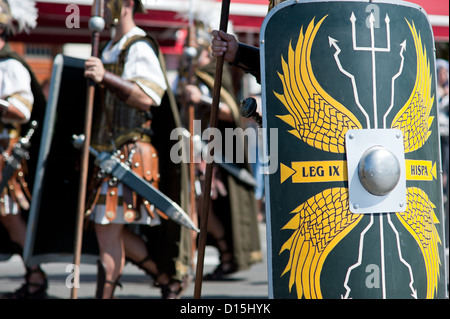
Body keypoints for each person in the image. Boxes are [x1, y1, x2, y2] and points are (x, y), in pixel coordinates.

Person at [84, 0, 191, 298]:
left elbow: (148, 97)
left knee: (106, 232)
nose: (99, 8)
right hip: (106, 154)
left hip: (128, 155)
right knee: (110, 229)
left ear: (127, 3)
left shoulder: (139, 46)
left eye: (105, 1)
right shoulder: (108, 47)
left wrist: (105, 76)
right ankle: (165, 278)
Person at [175, 22, 262, 280]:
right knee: (198, 204)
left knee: (207, 205)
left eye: (195, 48)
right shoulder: (189, 74)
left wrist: (199, 98)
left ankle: (223, 253)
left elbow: (229, 110)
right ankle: (205, 257)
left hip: (217, 151)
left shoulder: (214, 70)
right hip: (193, 148)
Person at [0, 0, 47, 299]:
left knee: (10, 215)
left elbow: (22, 110)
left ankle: (36, 274)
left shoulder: (11, 64)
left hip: (5, 153)